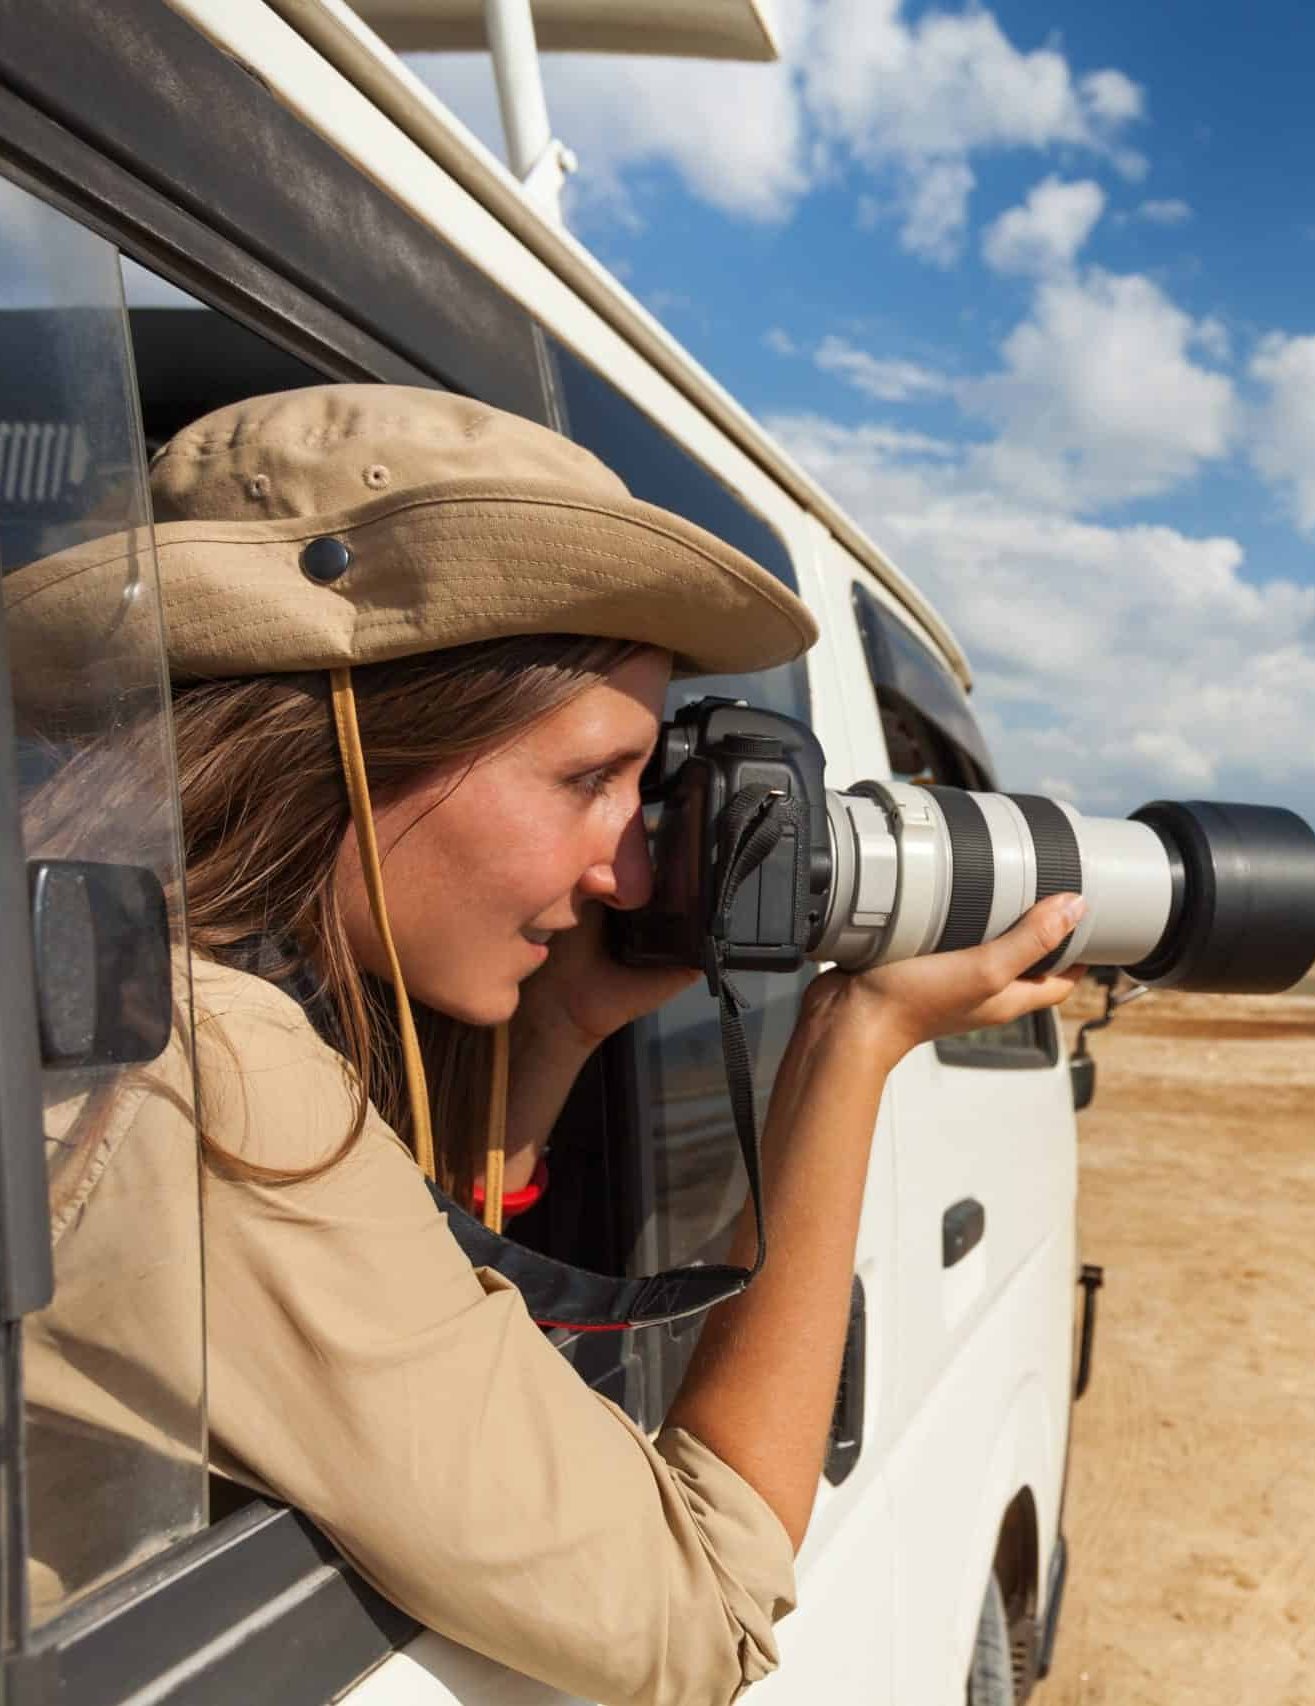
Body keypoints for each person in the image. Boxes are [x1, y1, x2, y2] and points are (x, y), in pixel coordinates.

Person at [3, 385, 1085, 1704]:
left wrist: (562, 1022)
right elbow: (703, 1607)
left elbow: (398, 1279)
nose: (630, 873)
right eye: (588, 782)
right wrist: (852, 1037)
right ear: (355, 734)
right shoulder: (201, 1066)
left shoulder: (108, 979)